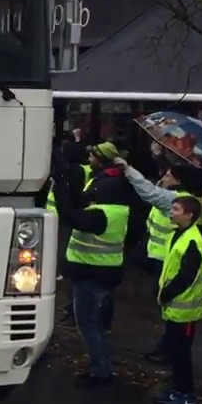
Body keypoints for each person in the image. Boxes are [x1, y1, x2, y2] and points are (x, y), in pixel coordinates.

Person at [53, 141, 135, 388]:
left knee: (87, 324)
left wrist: (60, 190)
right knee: (95, 322)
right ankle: (100, 365)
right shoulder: (117, 211)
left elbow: (72, 216)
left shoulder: (101, 215)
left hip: (91, 274)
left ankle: (100, 369)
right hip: (103, 272)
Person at [116, 153, 202, 362]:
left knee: (171, 308)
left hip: (169, 259)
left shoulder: (176, 200)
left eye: (168, 175)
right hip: (161, 256)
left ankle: (170, 351)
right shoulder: (179, 196)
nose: (164, 177)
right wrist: (157, 156)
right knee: (167, 311)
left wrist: (128, 170)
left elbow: (150, 193)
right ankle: (166, 346)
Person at [154, 195, 202, 404]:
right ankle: (177, 389)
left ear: (189, 215)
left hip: (185, 307)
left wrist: (167, 293)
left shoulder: (192, 240)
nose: (171, 212)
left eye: (176, 209)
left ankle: (186, 394)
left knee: (182, 353)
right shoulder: (178, 234)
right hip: (174, 306)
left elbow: (186, 275)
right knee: (174, 351)